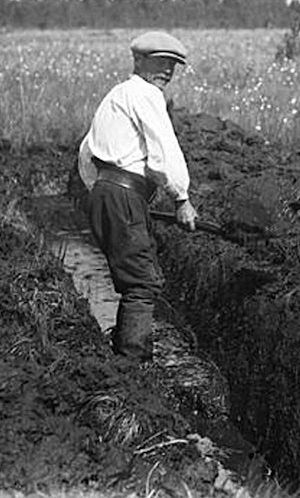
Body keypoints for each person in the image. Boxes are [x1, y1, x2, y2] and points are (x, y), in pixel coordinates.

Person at [78, 30, 198, 361]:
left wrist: (103, 195)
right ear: (138, 60)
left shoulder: (116, 95)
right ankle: (133, 367)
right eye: (161, 62)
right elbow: (164, 151)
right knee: (142, 283)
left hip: (106, 193)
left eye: (174, 65)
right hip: (122, 196)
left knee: (134, 277)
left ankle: (126, 355)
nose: (168, 71)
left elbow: (86, 152)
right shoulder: (145, 95)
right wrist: (181, 198)